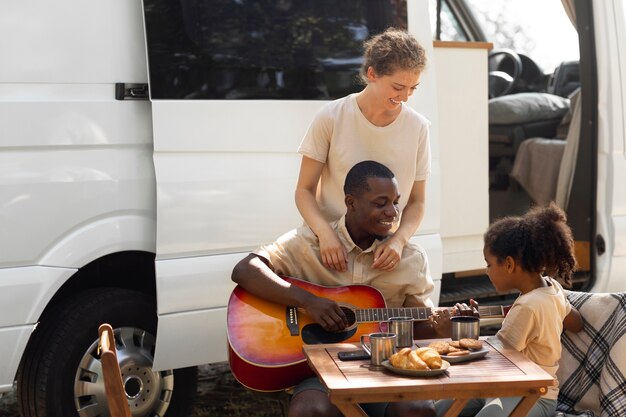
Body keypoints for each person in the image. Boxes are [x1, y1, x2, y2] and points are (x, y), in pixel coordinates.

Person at [232, 160, 438, 417]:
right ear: (351, 203)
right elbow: (245, 270)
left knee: (417, 409)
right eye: (380, 202)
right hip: (319, 371)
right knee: (311, 410)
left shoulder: (411, 258)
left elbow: (419, 325)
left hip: (385, 367)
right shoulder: (309, 242)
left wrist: (445, 324)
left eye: (396, 202)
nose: (393, 212)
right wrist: (308, 301)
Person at [295, 27, 430, 274]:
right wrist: (325, 235)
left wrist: (398, 241)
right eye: (398, 87)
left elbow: (418, 202)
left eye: (413, 88)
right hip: (329, 254)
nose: (406, 97)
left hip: (382, 253)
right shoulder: (331, 117)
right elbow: (304, 191)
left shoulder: (418, 127)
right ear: (372, 74)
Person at [435, 203, 584, 417]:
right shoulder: (552, 288)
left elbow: (495, 359)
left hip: (533, 395)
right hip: (506, 387)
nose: (487, 272)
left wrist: (452, 333)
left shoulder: (529, 305)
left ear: (509, 264)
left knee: (441, 409)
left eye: (489, 264)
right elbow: (576, 323)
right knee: (441, 409)